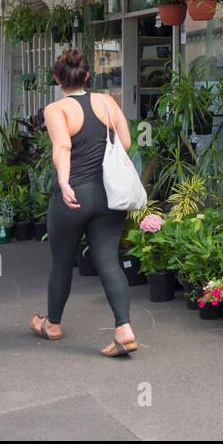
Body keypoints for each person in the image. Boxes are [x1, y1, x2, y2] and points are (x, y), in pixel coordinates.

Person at [30, 49, 137, 357]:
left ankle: (52, 324)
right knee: (107, 260)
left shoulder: (56, 109)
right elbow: (126, 143)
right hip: (108, 196)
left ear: (56, 78)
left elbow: (62, 145)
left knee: (63, 262)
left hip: (74, 195)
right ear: (88, 76)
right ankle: (124, 328)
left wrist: (64, 182)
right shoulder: (106, 101)